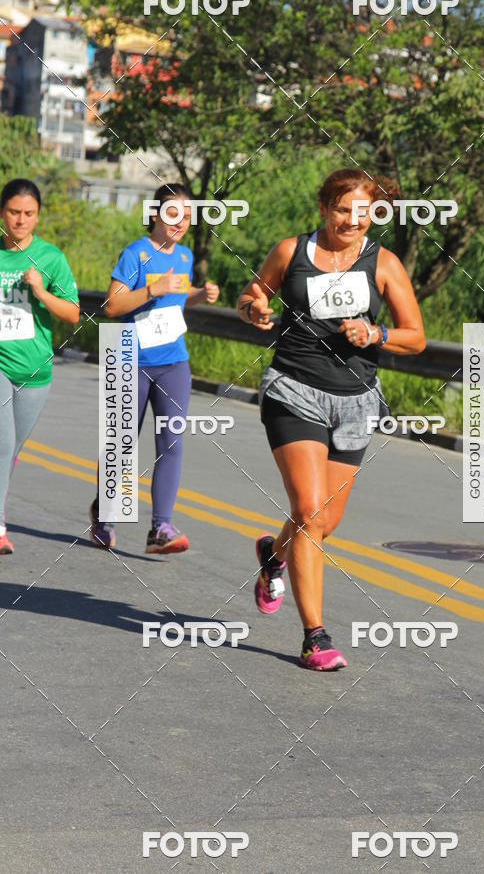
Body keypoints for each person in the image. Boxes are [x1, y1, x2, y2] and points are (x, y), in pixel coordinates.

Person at [236, 168, 426, 670]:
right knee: (310, 507)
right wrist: (253, 308)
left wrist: (376, 335)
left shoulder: (383, 263)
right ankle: (314, 637)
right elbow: (252, 297)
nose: (352, 220)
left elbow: (416, 336)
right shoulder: (289, 252)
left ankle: (273, 556)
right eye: (343, 209)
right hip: (294, 390)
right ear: (324, 208)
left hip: (357, 401)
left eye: (363, 212)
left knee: (322, 522)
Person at [89, 183, 219, 554]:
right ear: (156, 215)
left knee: (172, 444)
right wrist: (151, 289)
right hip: (128, 355)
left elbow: (177, 298)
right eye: (173, 214)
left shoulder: (184, 256)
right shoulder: (136, 254)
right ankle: (106, 517)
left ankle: (160, 528)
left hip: (173, 361)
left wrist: (200, 294)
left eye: (187, 217)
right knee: (121, 445)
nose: (181, 223)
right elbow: (112, 307)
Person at [0, 178, 80, 554]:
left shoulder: (51, 258)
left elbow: (73, 315)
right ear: (3, 212)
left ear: (37, 216)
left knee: (10, 452)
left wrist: (41, 292)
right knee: (2, 445)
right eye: (14, 212)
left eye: (28, 213)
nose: (20, 220)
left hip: (35, 371)